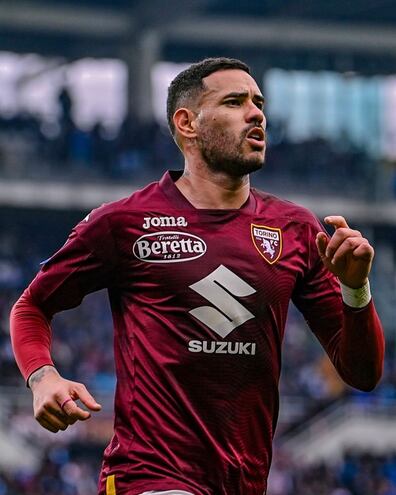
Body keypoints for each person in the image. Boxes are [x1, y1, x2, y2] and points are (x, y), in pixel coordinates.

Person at [10, 57, 384, 495]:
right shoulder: (124, 222)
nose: (256, 112)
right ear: (187, 123)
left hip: (245, 481)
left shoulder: (297, 230)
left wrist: (355, 288)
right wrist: (43, 376)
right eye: (234, 101)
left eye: (258, 102)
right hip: (148, 478)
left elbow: (362, 374)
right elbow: (32, 305)